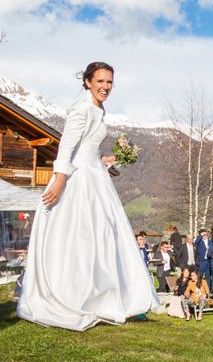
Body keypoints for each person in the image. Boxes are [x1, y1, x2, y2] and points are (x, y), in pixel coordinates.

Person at [17, 62, 159, 331]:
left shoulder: (98, 108)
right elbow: (66, 148)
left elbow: (86, 147)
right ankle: (79, 296)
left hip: (94, 174)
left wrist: (102, 158)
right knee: (82, 235)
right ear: (87, 82)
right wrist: (59, 180)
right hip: (78, 179)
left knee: (103, 235)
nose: (105, 87)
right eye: (100, 82)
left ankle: (102, 294)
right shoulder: (81, 109)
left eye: (109, 82)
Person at [195, 228, 213, 293]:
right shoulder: (199, 242)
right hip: (201, 261)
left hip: (208, 261)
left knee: (208, 277)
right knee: (200, 276)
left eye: (205, 234)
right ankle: (199, 289)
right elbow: (195, 242)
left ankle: (207, 290)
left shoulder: (209, 241)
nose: (205, 236)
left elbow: (212, 249)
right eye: (203, 235)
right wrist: (200, 235)